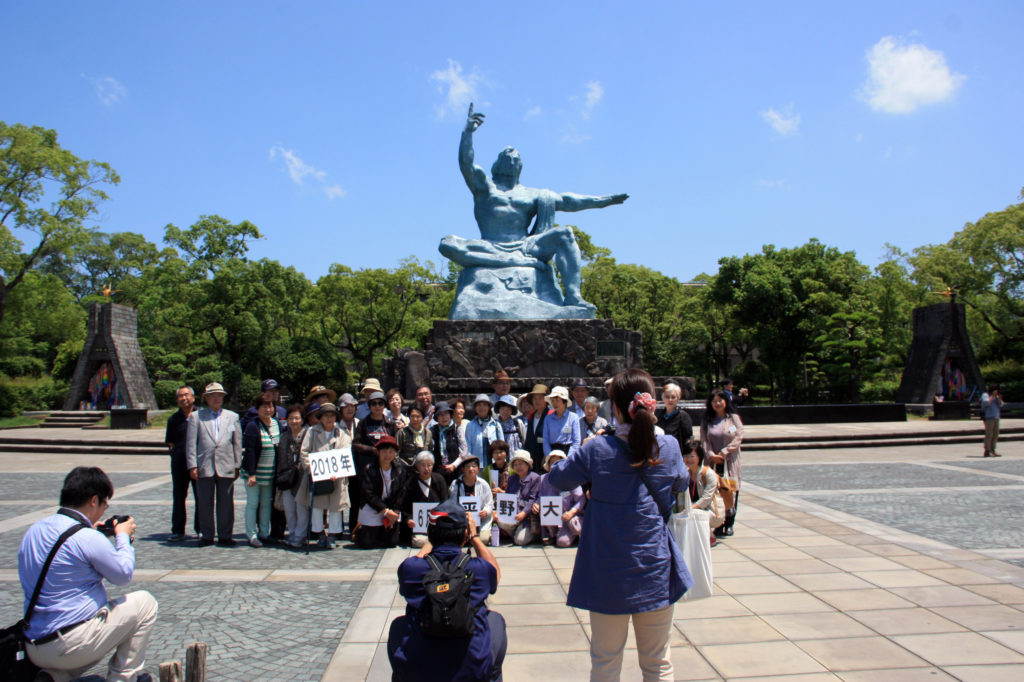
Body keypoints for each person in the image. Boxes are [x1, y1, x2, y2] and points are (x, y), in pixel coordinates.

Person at [548, 368, 693, 681]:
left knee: (605, 663)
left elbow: (557, 478)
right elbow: (682, 481)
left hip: (607, 572)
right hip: (654, 567)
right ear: (651, 404)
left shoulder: (597, 449)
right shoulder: (666, 447)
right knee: (658, 664)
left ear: (614, 408)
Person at [439, 103, 627, 311]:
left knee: (565, 234)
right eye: (507, 159)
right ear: (498, 164)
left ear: (521, 166)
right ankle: (500, 260)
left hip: (525, 246)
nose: (512, 162)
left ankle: (574, 296)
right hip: (490, 245)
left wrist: (601, 201)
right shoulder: (485, 187)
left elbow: (568, 201)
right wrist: (468, 132)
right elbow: (466, 164)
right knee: (447, 244)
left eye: (516, 160)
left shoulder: (533, 194)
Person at [18, 467, 158, 682]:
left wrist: (93, 532)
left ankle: (54, 677)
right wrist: (122, 538)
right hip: (70, 644)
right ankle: (123, 678)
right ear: (94, 500)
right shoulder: (86, 538)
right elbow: (122, 575)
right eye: (105, 504)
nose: (104, 510)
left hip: (34, 645)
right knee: (145, 603)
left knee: (81, 633)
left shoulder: (34, 530)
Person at [387, 496, 506, 682]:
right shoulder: (479, 569)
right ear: (464, 534)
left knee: (398, 625)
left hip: (418, 669)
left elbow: (415, 563)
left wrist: (431, 539)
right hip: (472, 667)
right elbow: (495, 575)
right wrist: (474, 537)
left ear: (430, 533)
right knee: (495, 620)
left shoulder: (412, 569)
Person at [186, 382, 243, 547]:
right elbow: (191, 443)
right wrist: (192, 465)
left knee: (226, 502)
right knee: (205, 502)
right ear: (207, 399)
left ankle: (225, 535)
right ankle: (207, 534)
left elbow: (237, 442)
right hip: (205, 464)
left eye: (219, 395)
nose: (216, 398)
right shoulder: (197, 417)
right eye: (212, 396)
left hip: (226, 464)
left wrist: (237, 464)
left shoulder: (232, 417)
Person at [300, 403, 350, 549]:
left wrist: (337, 471)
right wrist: (313, 468)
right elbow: (304, 452)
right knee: (317, 507)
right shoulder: (312, 432)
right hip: (318, 477)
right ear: (320, 418)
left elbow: (345, 453)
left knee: (335, 507)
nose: (329, 418)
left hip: (336, 478)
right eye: (326, 416)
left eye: (332, 415)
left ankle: (333, 535)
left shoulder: (341, 433)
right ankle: (320, 533)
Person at [700, 389, 744, 538]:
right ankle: (718, 522)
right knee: (714, 491)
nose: (717, 403)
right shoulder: (707, 420)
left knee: (730, 489)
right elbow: (704, 440)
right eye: (714, 401)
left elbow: (738, 436)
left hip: (729, 461)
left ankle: (730, 522)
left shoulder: (733, 418)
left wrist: (725, 452)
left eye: (720, 400)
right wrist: (711, 454)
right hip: (713, 461)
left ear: (726, 401)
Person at [241, 394, 283, 547]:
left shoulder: (276, 424)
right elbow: (250, 451)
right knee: (253, 503)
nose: (267, 409)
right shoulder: (253, 426)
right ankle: (251, 534)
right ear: (257, 409)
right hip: (255, 474)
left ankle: (264, 532)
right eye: (264, 406)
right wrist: (251, 474)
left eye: (270, 406)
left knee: (266, 503)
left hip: (269, 473)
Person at [356, 435, 406, 549]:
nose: (387, 455)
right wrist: (384, 511)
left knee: (392, 542)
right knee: (367, 543)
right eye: (384, 451)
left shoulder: (400, 469)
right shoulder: (369, 468)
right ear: (378, 452)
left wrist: (395, 513)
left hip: (392, 508)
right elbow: (368, 493)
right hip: (374, 507)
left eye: (390, 452)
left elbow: (402, 493)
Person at [164, 385, 198, 542]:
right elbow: (170, 442)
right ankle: (178, 530)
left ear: (193, 397)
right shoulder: (174, 419)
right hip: (179, 464)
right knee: (178, 497)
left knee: (201, 497)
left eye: (187, 395)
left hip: (198, 463)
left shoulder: (201, 415)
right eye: (181, 396)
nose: (184, 398)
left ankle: (201, 528)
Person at [276, 403, 309, 549]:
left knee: (301, 507)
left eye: (297, 418)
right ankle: (293, 532)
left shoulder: (308, 435)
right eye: (291, 418)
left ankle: (300, 535)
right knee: (289, 507)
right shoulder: (284, 437)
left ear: (302, 419)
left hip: (302, 476)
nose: (294, 421)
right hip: (286, 476)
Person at [536, 450, 584, 547]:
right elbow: (540, 494)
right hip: (550, 516)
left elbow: (581, 499)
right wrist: (537, 503)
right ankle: (551, 534)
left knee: (563, 542)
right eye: (552, 462)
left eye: (558, 462)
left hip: (567, 517)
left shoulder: (572, 479)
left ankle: (573, 533)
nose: (555, 465)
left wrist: (572, 512)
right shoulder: (543, 478)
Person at [401, 451, 450, 548]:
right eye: (423, 465)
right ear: (417, 466)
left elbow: (445, 502)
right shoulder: (411, 483)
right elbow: (405, 506)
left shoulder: (439, 479)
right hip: (419, 528)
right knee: (419, 541)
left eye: (429, 465)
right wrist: (408, 519)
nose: (426, 468)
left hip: (437, 525)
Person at [497, 450, 541, 545]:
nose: (518, 467)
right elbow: (509, 497)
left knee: (520, 541)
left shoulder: (535, 478)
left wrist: (523, 513)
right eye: (515, 464)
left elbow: (532, 500)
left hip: (528, 518)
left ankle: (529, 534)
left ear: (527, 464)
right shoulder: (512, 478)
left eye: (520, 464)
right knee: (498, 519)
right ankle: (517, 532)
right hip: (513, 514)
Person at [449, 454, 494, 538]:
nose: (471, 469)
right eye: (467, 467)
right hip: (461, 521)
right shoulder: (455, 484)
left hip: (480, 521)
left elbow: (489, 503)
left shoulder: (483, 484)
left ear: (478, 468)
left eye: (474, 466)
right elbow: (452, 504)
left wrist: (486, 511)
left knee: (483, 539)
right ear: (462, 469)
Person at [431, 400, 467, 482]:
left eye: (446, 414)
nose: (444, 417)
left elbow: (464, 451)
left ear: (450, 414)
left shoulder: (457, 429)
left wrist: (454, 465)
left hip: (456, 470)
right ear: (437, 417)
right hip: (438, 473)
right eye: (440, 415)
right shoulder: (433, 430)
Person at [542, 386, 581, 460]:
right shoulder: (548, 418)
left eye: (557, 400)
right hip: (552, 453)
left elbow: (576, 441)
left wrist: (569, 457)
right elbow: (546, 441)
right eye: (552, 400)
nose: (554, 403)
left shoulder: (573, 417)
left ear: (564, 401)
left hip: (568, 452)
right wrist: (550, 457)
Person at [465, 394, 503, 469]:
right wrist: (470, 463)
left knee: (493, 481)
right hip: (476, 465)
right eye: (479, 405)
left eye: (485, 405)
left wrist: (502, 463)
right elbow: (468, 446)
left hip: (494, 464)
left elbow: (502, 446)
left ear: (489, 407)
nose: (481, 407)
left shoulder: (496, 425)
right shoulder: (470, 425)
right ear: (475, 408)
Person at [520, 384, 550, 472]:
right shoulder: (531, 416)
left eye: (540, 398)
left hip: (544, 457)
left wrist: (546, 456)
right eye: (535, 398)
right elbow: (529, 439)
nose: (537, 401)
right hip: (532, 458)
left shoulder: (550, 415)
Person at [656, 383, 693, 452]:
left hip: (677, 454)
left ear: (678, 398)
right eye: (667, 397)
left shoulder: (683, 416)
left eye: (673, 397)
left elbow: (689, 438)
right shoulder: (659, 416)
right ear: (663, 398)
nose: (670, 400)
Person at [981, 384, 1004, 457]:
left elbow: (1001, 405)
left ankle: (993, 449)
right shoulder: (985, 395)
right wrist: (993, 396)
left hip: (996, 417)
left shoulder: (997, 396)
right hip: (989, 417)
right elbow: (986, 403)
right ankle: (987, 450)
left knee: (995, 434)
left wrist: (999, 398)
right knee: (989, 434)